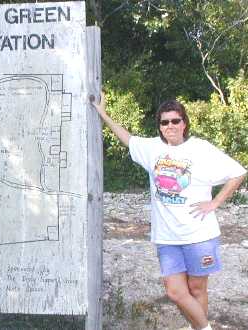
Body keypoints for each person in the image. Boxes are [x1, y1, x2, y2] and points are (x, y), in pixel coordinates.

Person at [93, 91, 246, 330]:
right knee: (175, 292)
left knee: (197, 289)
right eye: (164, 122)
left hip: (200, 236)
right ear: (160, 126)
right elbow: (127, 138)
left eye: (175, 120)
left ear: (184, 123)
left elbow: (238, 172)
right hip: (167, 237)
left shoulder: (201, 149)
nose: (170, 126)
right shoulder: (151, 149)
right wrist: (103, 114)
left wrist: (215, 203)